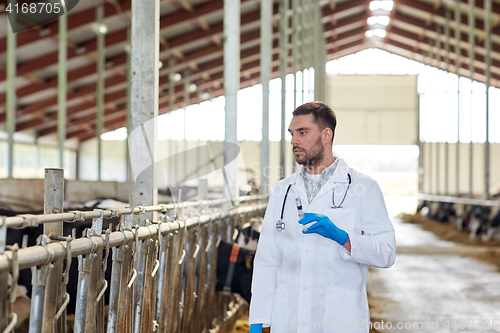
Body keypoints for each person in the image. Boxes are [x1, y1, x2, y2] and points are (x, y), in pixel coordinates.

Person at [248, 101, 396, 333]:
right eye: (291, 133)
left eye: (302, 132)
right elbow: (267, 261)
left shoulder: (363, 187)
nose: (294, 141)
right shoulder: (282, 191)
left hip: (339, 318)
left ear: (326, 135)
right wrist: (257, 320)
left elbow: (386, 253)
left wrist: (343, 238)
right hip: (288, 320)